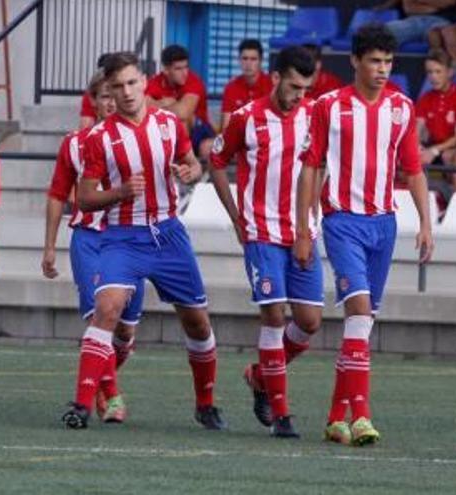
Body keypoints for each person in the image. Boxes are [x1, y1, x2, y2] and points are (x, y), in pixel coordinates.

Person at [61, 52, 224, 431]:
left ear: (145, 82)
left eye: (132, 83)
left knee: (198, 324)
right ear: (109, 93)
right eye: (117, 87)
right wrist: (118, 192)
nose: (127, 92)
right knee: (107, 309)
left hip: (168, 235)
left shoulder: (169, 124)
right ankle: (82, 404)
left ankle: (206, 404)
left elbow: (192, 164)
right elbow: (83, 199)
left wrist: (191, 171)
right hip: (122, 237)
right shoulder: (99, 139)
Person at [296, 25, 435, 446]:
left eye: (388, 62)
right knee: (358, 312)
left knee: (362, 324)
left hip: (384, 224)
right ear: (355, 61)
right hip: (341, 223)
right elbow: (311, 167)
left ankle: (336, 415)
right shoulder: (328, 107)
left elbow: (413, 170)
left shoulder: (402, 107)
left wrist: (426, 223)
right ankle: (362, 417)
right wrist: (305, 227)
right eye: (374, 61)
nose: (382, 69)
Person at [210, 46, 322, 439]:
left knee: (309, 323)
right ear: (275, 79)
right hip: (261, 232)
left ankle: (260, 376)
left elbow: (322, 165)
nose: (300, 96)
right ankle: (282, 413)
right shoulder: (246, 118)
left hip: (302, 232)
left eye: (306, 88)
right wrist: (236, 216)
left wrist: (315, 217)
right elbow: (216, 158)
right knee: (274, 316)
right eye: (294, 86)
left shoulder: (314, 115)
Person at [42, 70, 143, 424]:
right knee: (99, 317)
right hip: (89, 239)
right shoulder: (75, 143)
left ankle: (102, 376)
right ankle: (111, 395)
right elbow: (57, 194)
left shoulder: (140, 139)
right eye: (103, 96)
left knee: (126, 332)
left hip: (130, 240)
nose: (112, 101)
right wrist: (50, 246)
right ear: (95, 102)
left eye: (115, 94)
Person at [145, 45, 215, 161]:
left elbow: (183, 112)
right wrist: (165, 102)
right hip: (165, 133)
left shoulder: (194, 81)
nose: (184, 73)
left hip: (199, 130)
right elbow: (142, 107)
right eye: (178, 69)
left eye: (186, 67)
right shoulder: (156, 81)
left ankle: (183, 163)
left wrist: (157, 105)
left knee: (180, 121)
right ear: (166, 70)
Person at [417, 49, 456, 191]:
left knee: (449, 155)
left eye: (438, 71)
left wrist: (434, 151)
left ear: (450, 72)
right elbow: (417, 129)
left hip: (452, 148)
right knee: (411, 155)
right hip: (433, 147)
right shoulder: (425, 98)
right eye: (429, 72)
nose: (433, 77)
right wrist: (417, 147)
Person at [221, 39, 273, 129]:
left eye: (253, 59)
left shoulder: (271, 85)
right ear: (239, 60)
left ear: (261, 61)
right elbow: (226, 125)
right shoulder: (231, 87)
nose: (248, 64)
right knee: (207, 143)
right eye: (245, 59)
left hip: (264, 136)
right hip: (238, 137)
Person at [378, 0, 456, 46]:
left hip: (439, 20)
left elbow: (449, 2)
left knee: (438, 35)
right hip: (411, 21)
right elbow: (408, 6)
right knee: (380, 33)